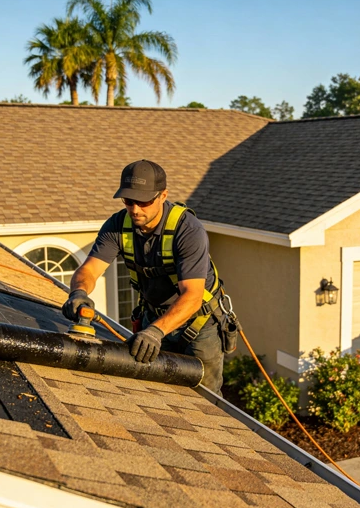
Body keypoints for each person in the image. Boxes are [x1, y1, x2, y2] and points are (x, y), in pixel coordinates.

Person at [61, 159, 234, 394]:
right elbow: (89, 270)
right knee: (152, 390)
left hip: (198, 325)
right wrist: (79, 292)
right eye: (129, 201)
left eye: (144, 201)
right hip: (152, 318)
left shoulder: (188, 230)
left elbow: (192, 297)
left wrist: (155, 332)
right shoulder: (118, 226)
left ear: (163, 196)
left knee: (204, 396)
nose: (135, 209)